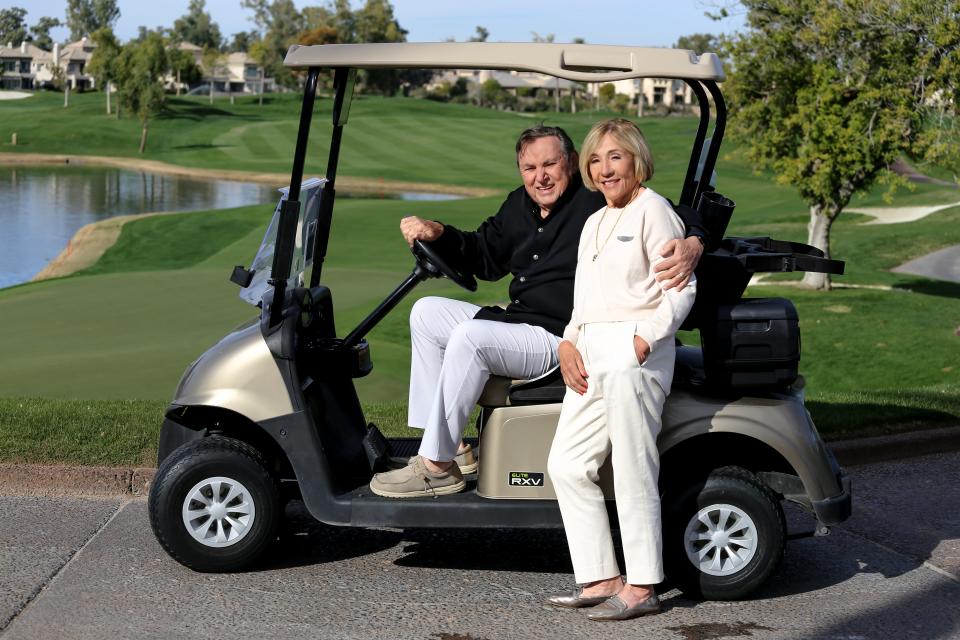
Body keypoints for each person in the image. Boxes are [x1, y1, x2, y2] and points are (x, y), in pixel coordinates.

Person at [369, 124, 706, 499]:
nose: (540, 177)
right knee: (426, 313)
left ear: (572, 163)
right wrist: (439, 233)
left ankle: (436, 467)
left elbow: (674, 211)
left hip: (560, 336)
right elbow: (485, 256)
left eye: (550, 164)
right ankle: (454, 450)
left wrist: (695, 240)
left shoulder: (594, 202)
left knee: (470, 337)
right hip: (519, 321)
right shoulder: (520, 205)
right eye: (529, 168)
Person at [546, 119, 696, 621]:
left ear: (636, 160)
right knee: (567, 465)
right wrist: (569, 341)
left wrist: (642, 341)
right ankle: (601, 577)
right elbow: (584, 300)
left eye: (615, 157)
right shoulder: (595, 221)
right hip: (588, 349)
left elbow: (681, 290)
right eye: (595, 159)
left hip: (635, 353)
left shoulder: (655, 212)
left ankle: (643, 585)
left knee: (634, 467)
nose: (604, 168)